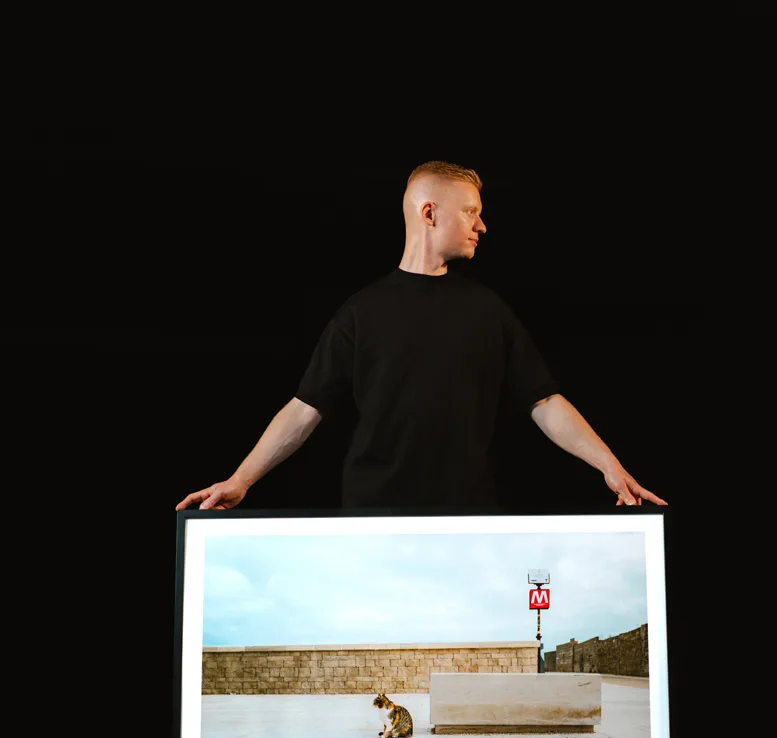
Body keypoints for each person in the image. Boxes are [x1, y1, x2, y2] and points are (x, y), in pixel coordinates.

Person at [176, 160, 666, 513]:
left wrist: (610, 465)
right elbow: (305, 409)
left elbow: (545, 402)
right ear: (429, 213)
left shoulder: (487, 311)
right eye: (471, 212)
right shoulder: (361, 313)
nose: (483, 226)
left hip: (467, 516)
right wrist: (240, 481)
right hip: (373, 515)